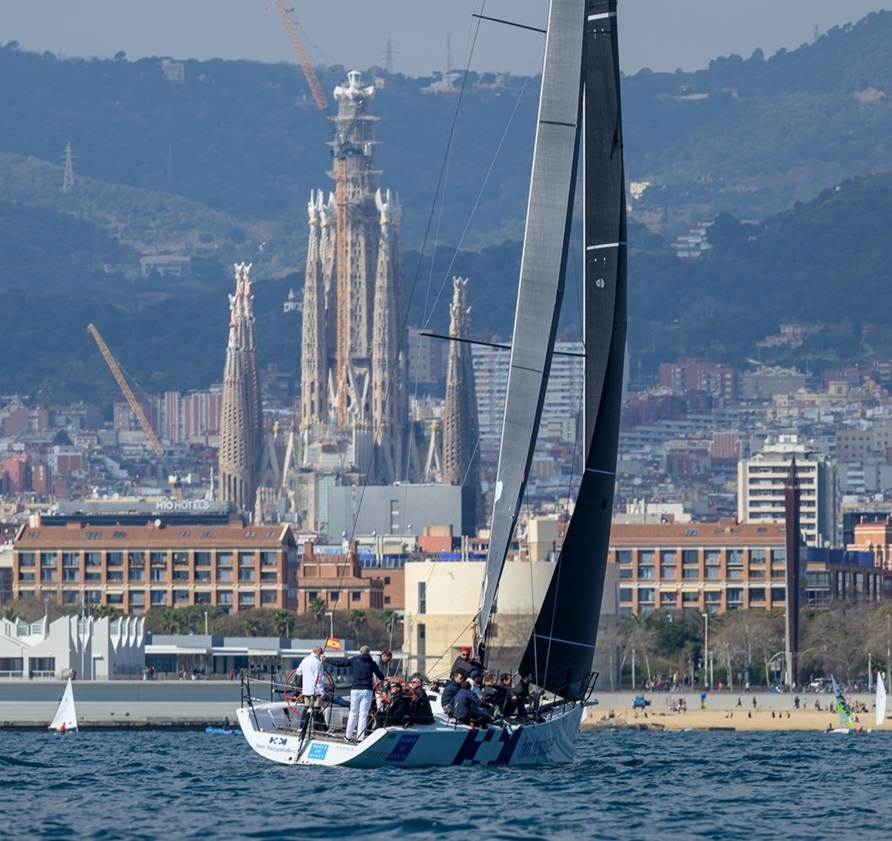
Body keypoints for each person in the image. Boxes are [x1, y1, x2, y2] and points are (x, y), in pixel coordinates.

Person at [325, 645, 384, 742]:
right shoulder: (372, 663)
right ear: (369, 653)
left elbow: (339, 663)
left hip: (355, 689)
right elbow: (380, 677)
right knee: (363, 714)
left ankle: (348, 736)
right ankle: (360, 738)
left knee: (353, 713)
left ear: (360, 652)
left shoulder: (354, 660)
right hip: (367, 690)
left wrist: (326, 659)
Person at [295, 645, 326, 738]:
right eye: (321, 653)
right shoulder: (318, 663)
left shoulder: (305, 660)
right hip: (315, 690)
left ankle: (302, 726)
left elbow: (298, 672)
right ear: (318, 652)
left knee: (306, 707)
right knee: (316, 709)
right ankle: (318, 727)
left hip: (306, 690)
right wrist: (322, 691)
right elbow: (319, 678)